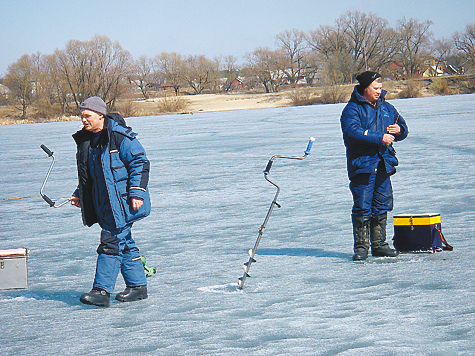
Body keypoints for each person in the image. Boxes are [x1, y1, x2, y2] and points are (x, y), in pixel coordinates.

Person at [69, 96, 151, 307]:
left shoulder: (119, 137)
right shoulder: (88, 140)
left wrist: (136, 193)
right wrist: (80, 193)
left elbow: (140, 163)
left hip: (123, 204)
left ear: (100, 115)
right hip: (104, 204)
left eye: (87, 116)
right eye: (81, 116)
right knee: (125, 245)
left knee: (111, 244)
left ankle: (101, 290)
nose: (83, 120)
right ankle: (138, 287)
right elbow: (92, 175)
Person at [340, 71, 408, 261]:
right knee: (362, 205)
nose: (379, 91)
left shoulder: (387, 108)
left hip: (383, 163)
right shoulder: (352, 110)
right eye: (375, 88)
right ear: (365, 88)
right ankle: (361, 247)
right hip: (363, 165)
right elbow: (352, 132)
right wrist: (380, 137)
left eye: (380, 88)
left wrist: (400, 130)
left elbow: (403, 128)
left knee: (382, 203)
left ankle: (379, 245)